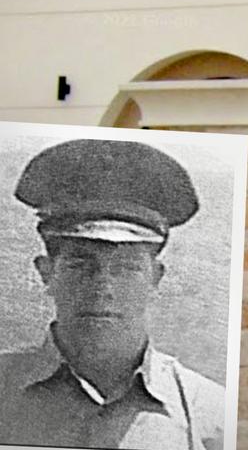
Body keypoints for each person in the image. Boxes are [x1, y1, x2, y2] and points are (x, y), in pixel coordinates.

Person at [0, 139, 224, 449]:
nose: (103, 287)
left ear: (155, 279)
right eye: (81, 265)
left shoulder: (210, 416)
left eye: (126, 268)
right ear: (46, 272)